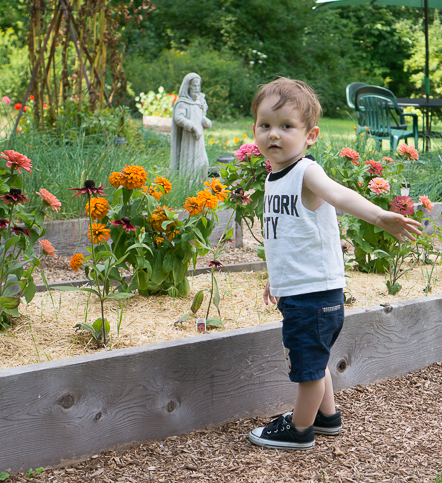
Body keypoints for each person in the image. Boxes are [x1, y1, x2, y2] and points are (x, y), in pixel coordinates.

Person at [247, 77, 422, 450]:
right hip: (303, 292)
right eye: (266, 125)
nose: (274, 135)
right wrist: (275, 279)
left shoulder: (306, 173)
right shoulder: (275, 178)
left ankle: (299, 430)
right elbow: (288, 240)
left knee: (306, 368)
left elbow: (340, 194)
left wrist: (379, 216)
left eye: (286, 127)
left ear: (311, 135)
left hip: (313, 297)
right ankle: (327, 417)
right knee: (314, 358)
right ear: (254, 129)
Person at [170, 72, 212, 182]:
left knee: (204, 164)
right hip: (188, 141)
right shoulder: (183, 102)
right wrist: (193, 127)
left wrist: (205, 121)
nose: (196, 88)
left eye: (198, 86)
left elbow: (202, 117)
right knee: (190, 167)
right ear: (188, 86)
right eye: (194, 86)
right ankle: (188, 191)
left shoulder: (200, 102)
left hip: (199, 141)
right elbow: (178, 118)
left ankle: (200, 189)